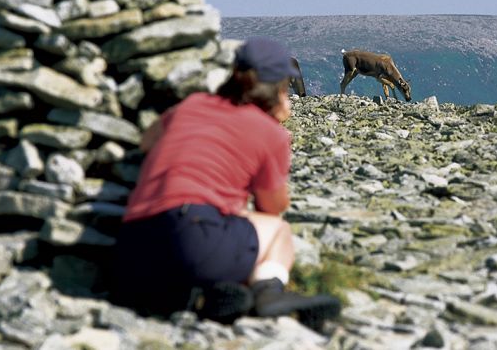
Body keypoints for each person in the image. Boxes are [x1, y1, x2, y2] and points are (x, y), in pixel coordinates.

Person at [110, 37, 340, 329]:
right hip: (194, 238)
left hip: (132, 247)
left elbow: (147, 142)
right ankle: (269, 293)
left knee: (192, 254)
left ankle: (200, 299)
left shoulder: (192, 104)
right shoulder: (270, 133)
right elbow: (272, 206)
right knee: (277, 231)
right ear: (279, 88)